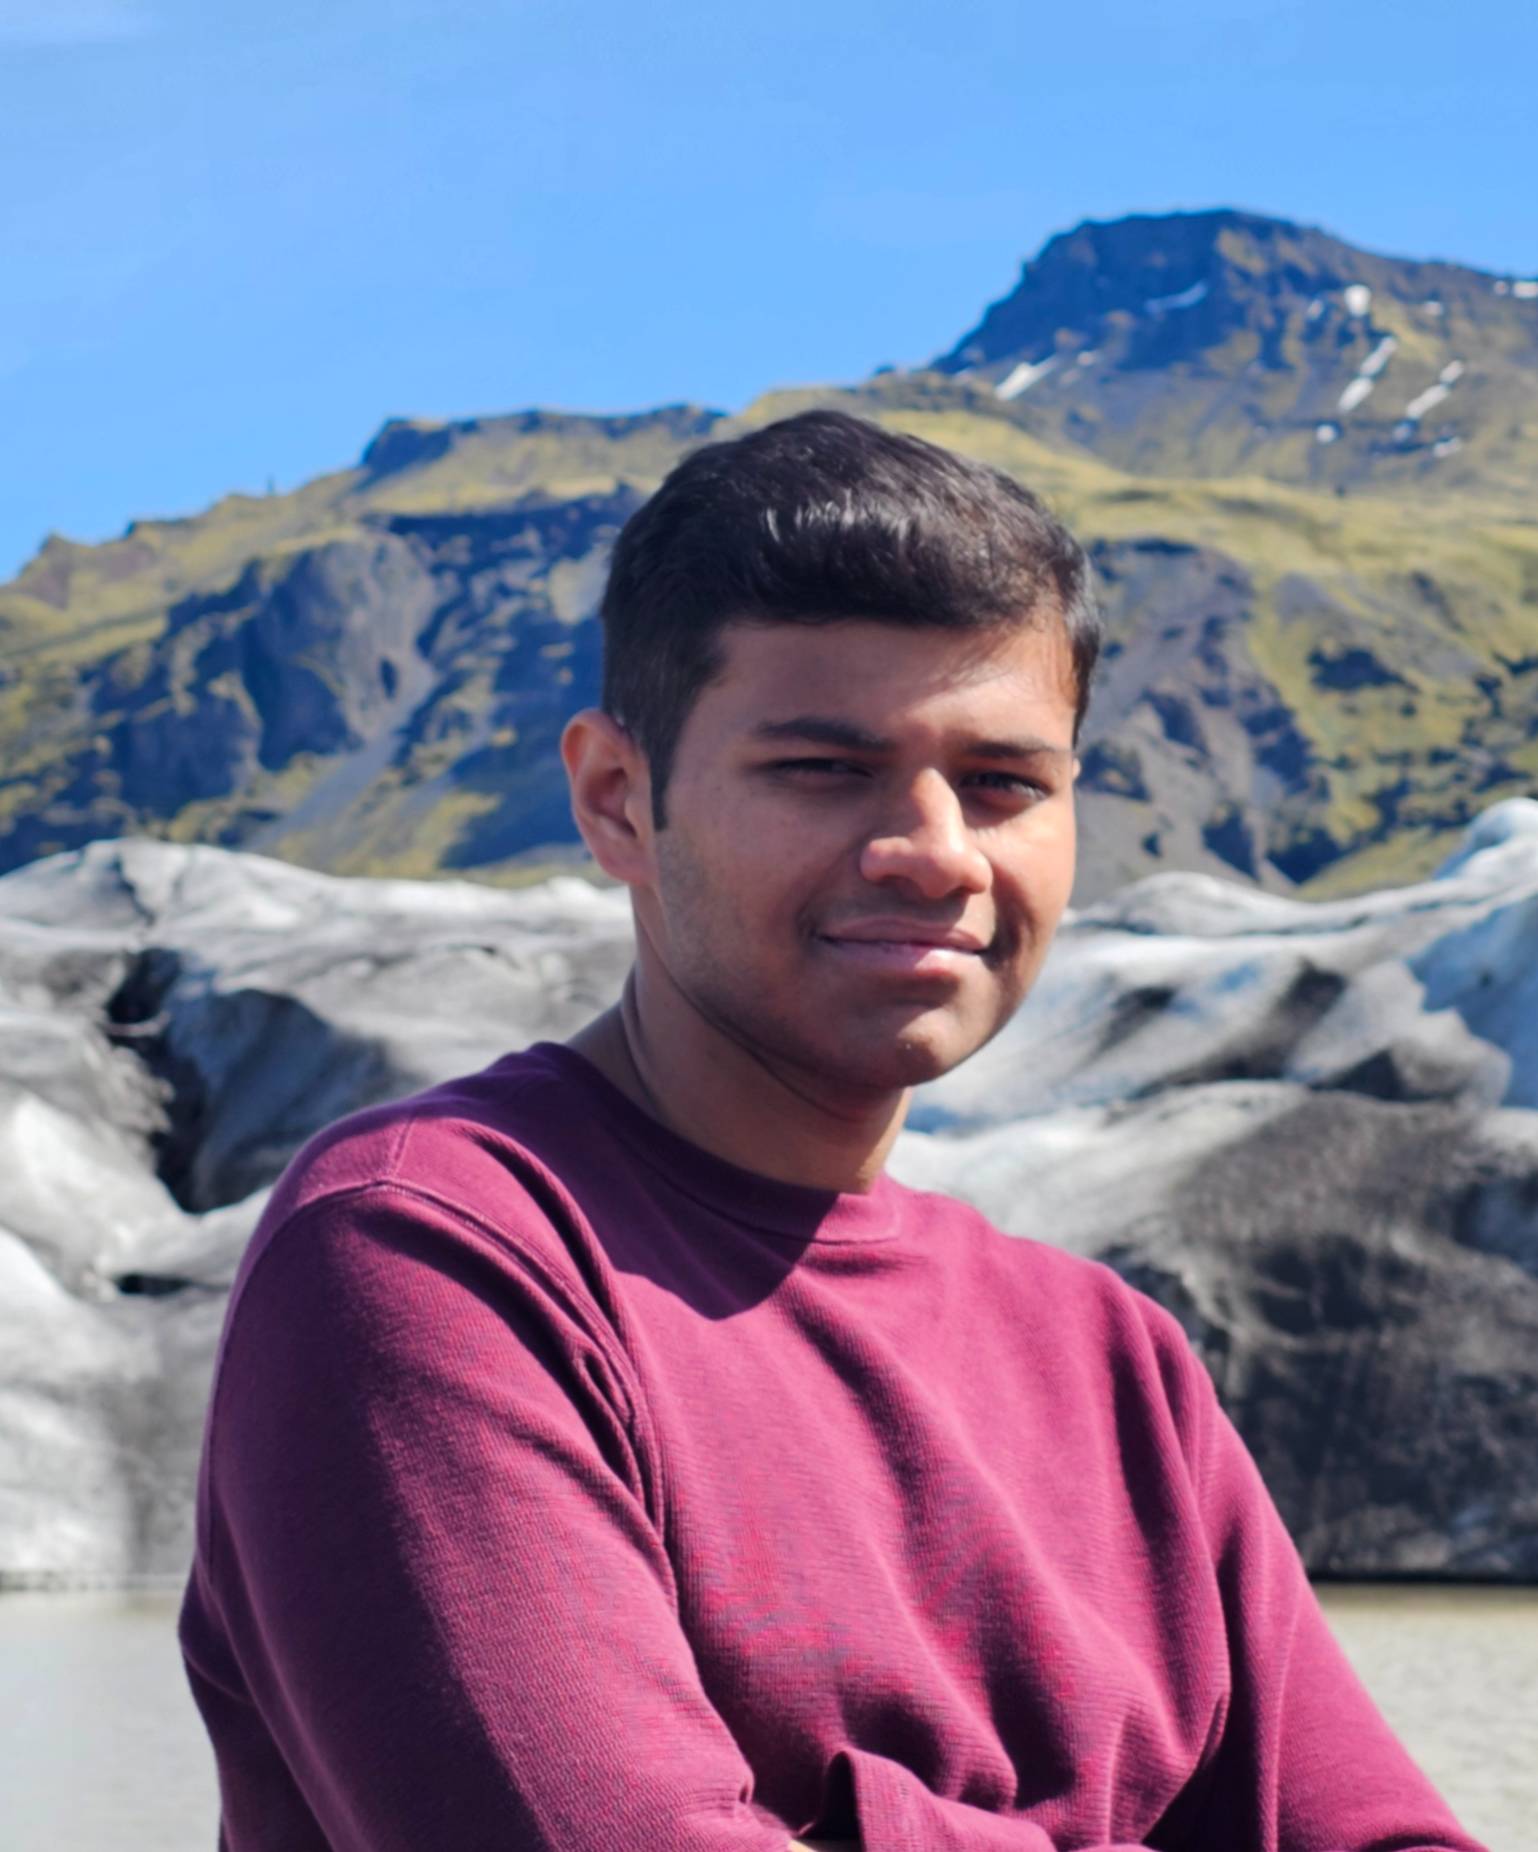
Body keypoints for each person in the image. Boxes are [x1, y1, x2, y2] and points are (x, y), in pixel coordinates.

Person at [178, 409, 1485, 1851]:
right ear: (617, 800)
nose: (935, 852)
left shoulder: (1115, 1360)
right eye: (821, 768)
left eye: (1005, 783)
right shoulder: (432, 1252)